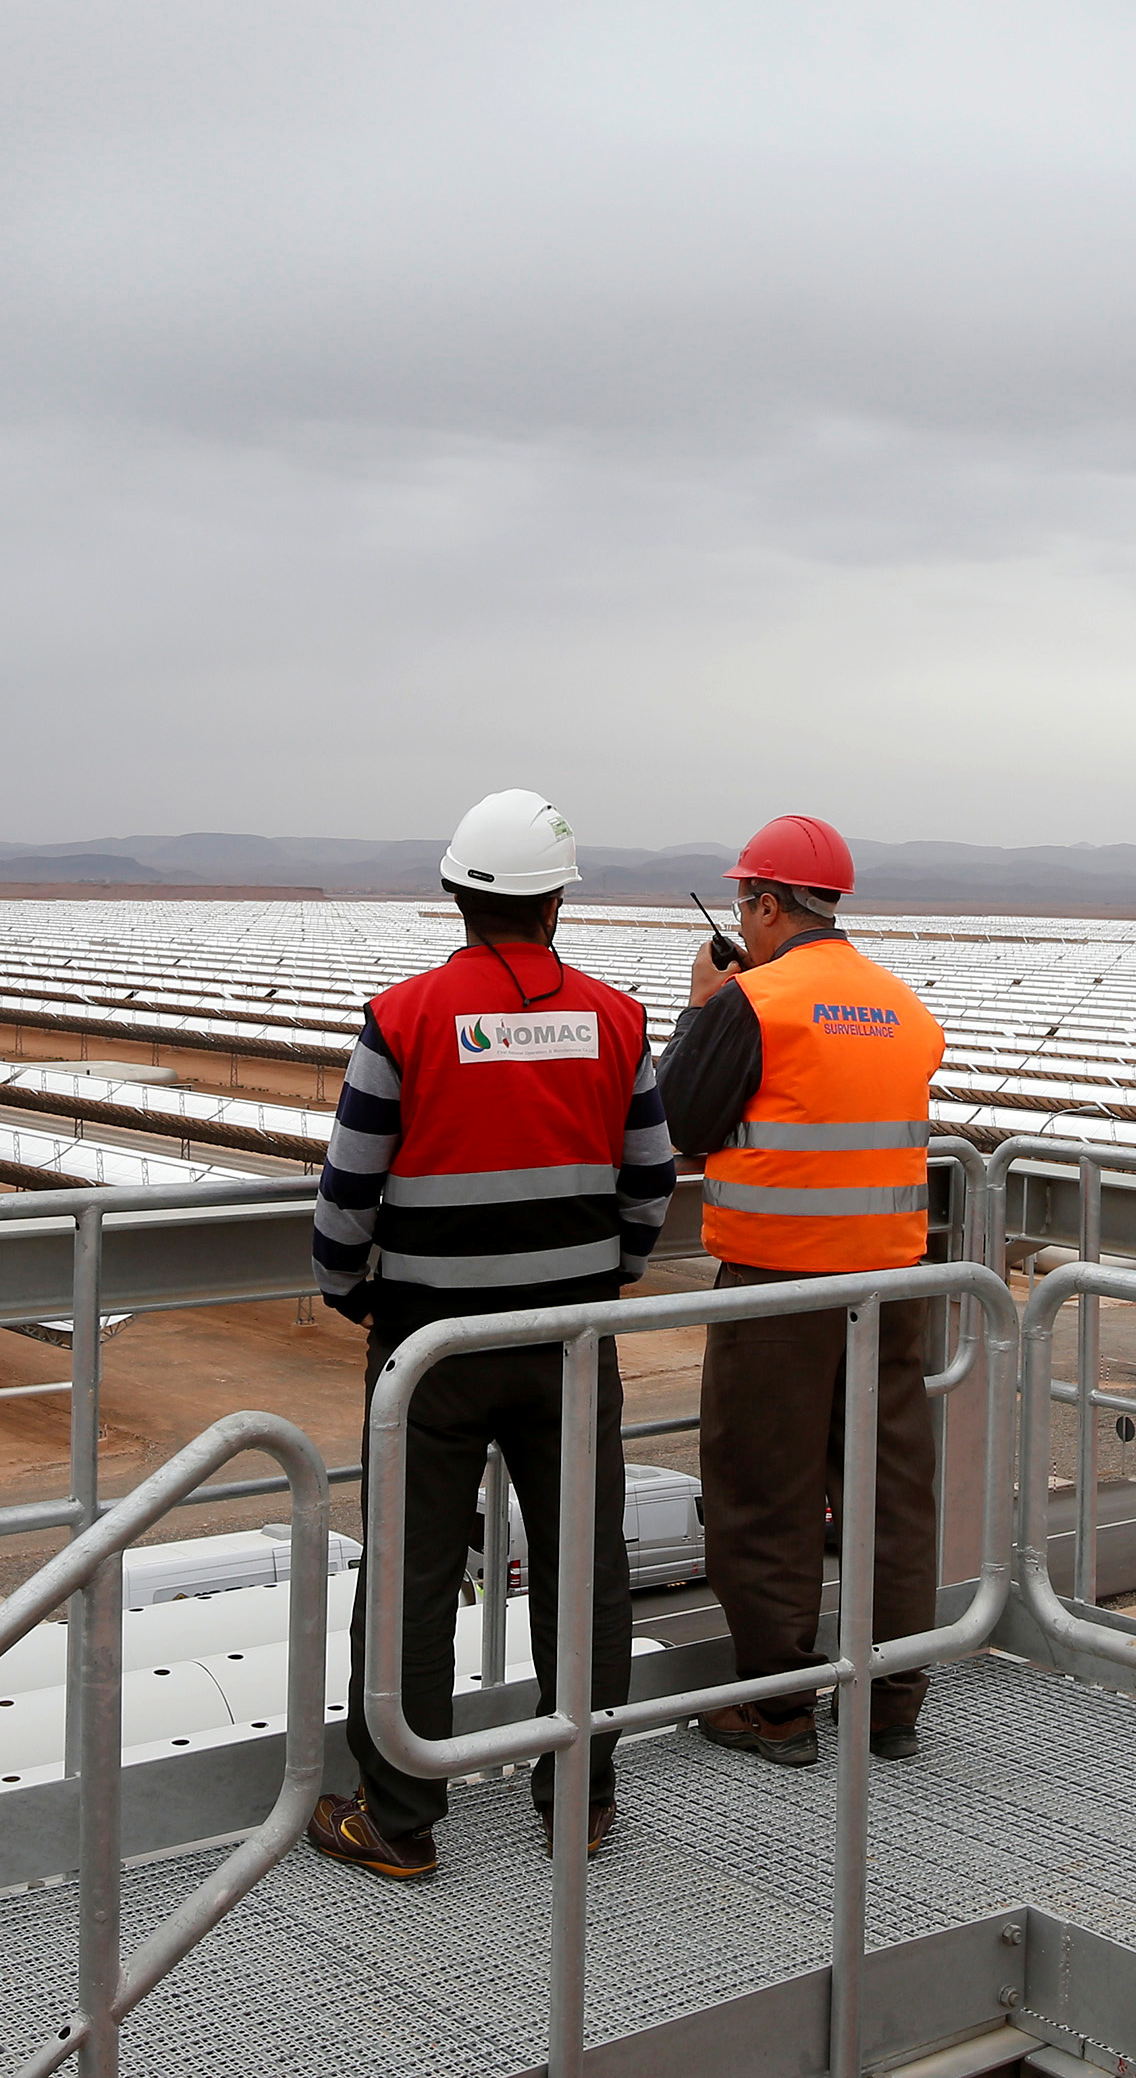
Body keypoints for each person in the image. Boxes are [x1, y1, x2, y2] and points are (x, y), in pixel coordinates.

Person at [303, 789, 673, 1881]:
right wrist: (605, 1277)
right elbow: (649, 1182)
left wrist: (352, 1294)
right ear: (555, 902)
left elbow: (342, 1202)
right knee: (581, 1570)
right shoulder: (613, 1019)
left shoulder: (403, 1017)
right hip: (568, 1341)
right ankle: (581, 1799)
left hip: (430, 1350)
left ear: (457, 895)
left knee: (413, 1571)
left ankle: (399, 1816)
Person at [657, 814, 948, 1766]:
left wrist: (704, 1007)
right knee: (887, 1493)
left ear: (769, 904)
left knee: (760, 1493)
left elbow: (679, 1120)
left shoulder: (757, 1003)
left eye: (748, 901)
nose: (744, 916)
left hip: (776, 1292)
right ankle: (890, 1702)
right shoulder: (904, 1006)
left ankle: (776, 1707)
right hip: (894, 1288)